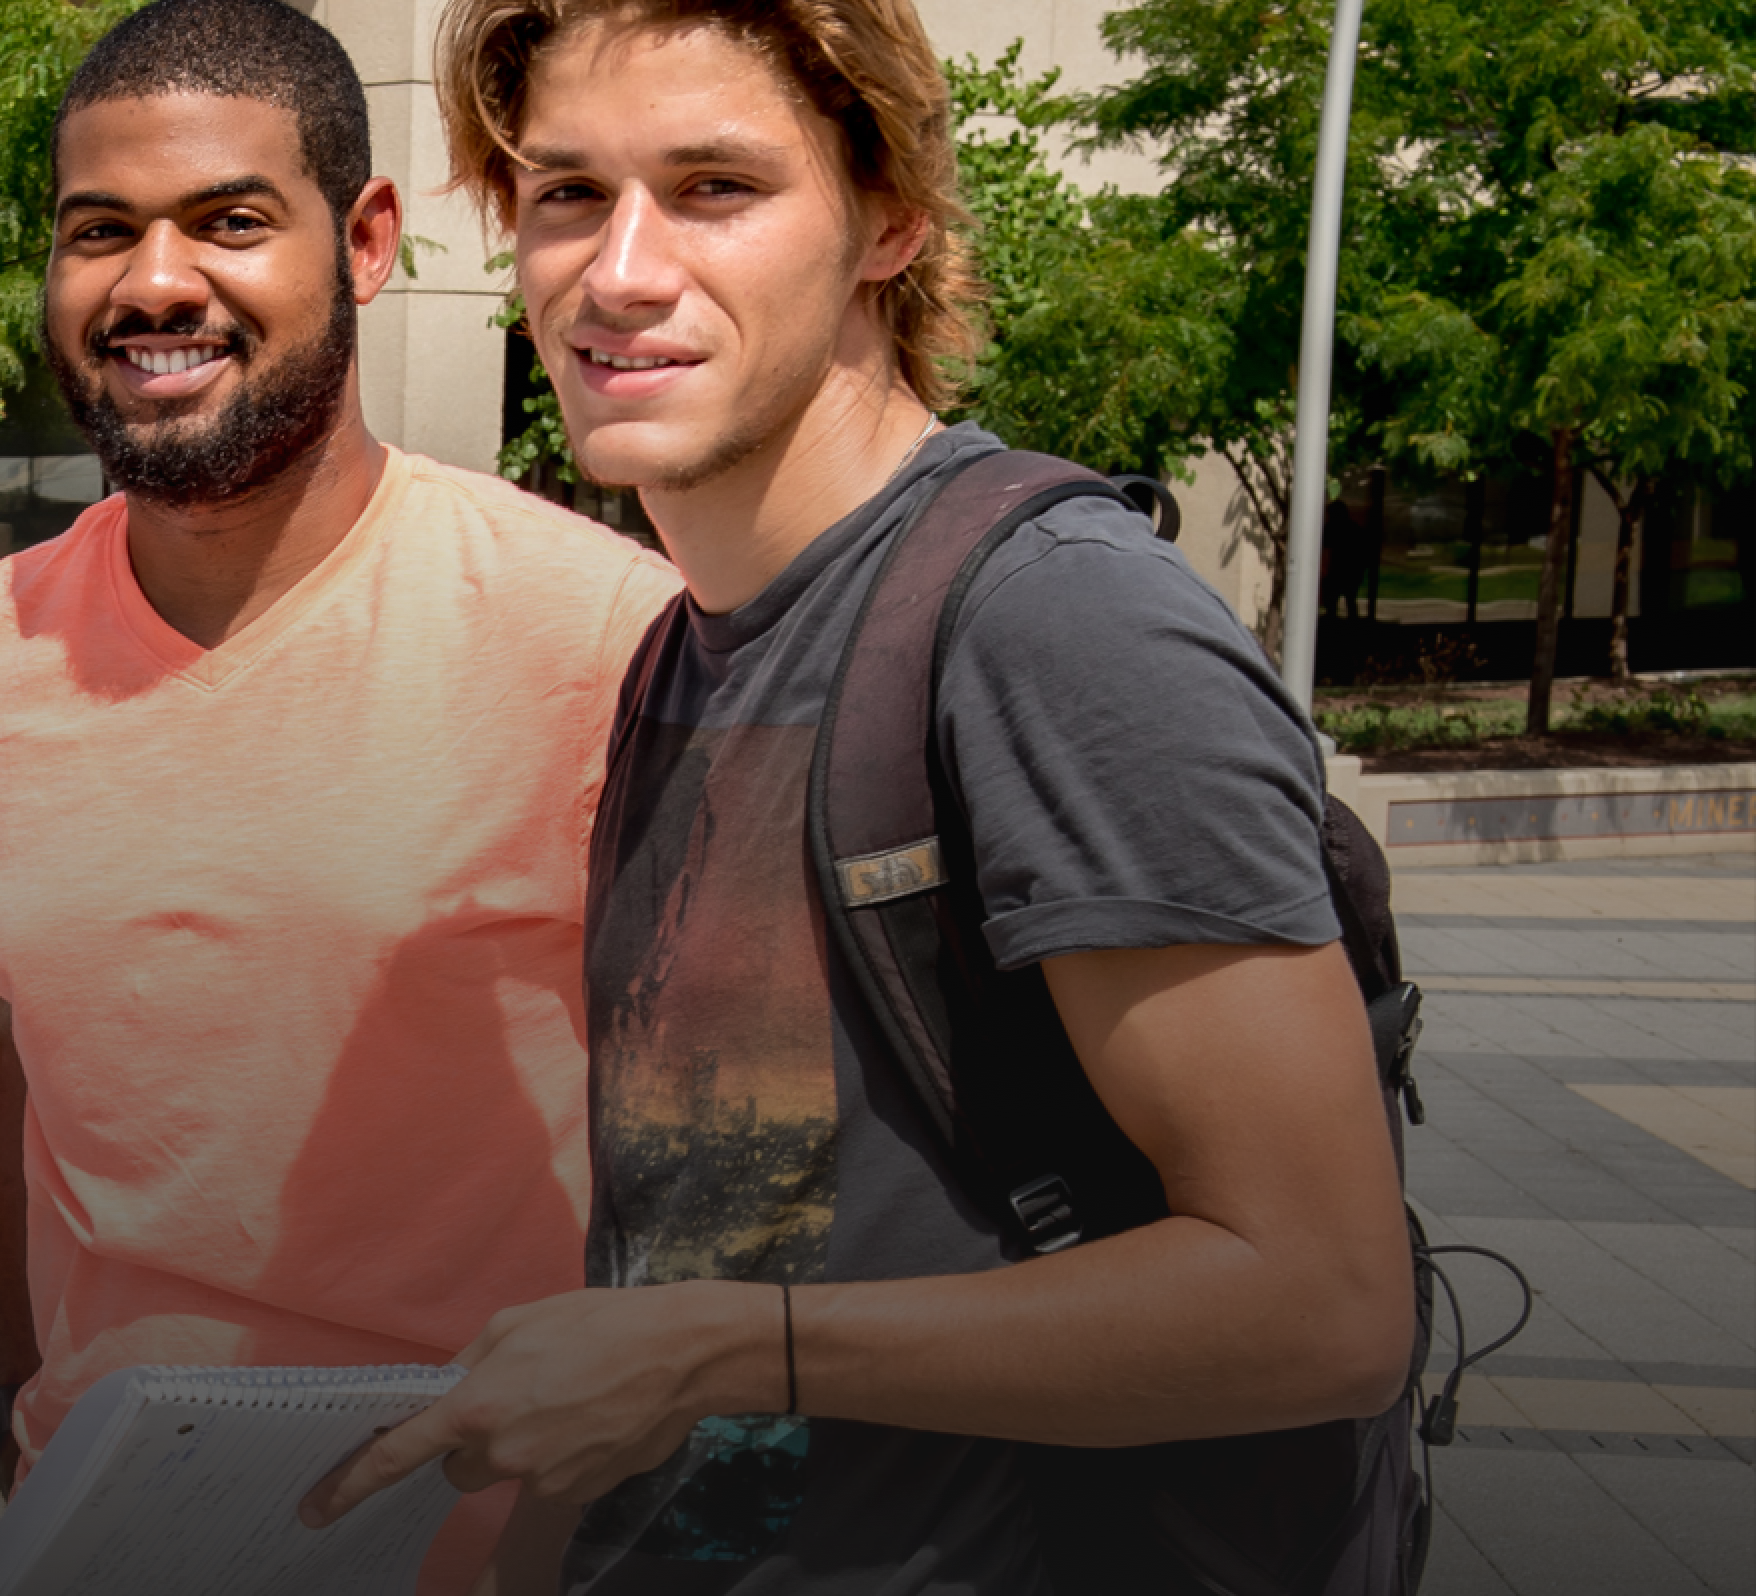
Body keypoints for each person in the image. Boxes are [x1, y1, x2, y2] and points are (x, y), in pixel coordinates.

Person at [303, 3, 1416, 1590]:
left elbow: (1320, 1304)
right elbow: (693, 1246)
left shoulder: (1054, 622)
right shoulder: (685, 649)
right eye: (566, 195)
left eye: (715, 188)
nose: (618, 272)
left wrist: (716, 1356)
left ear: (889, 220)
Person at [0, 0, 680, 1584]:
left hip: (517, 1536)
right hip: (115, 1528)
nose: (156, 283)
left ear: (364, 243)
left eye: (229, 221)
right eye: (102, 230)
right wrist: (9, 1390)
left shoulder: (614, 642)